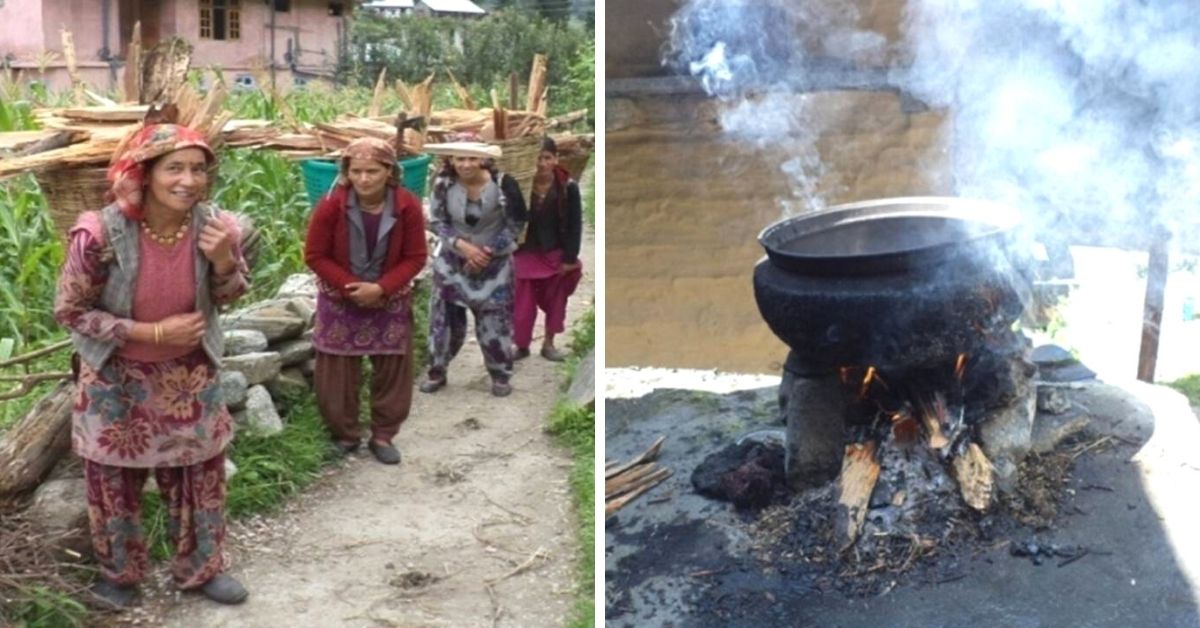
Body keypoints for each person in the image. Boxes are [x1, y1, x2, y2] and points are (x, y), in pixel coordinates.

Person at [53, 123, 250, 607]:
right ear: (144, 173)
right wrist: (151, 332)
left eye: (198, 169)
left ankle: (202, 569)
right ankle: (119, 577)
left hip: (188, 376)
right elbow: (71, 312)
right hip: (115, 379)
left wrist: (225, 261)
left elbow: (230, 295)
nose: (189, 180)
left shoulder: (214, 226)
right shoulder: (99, 233)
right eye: (174, 168)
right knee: (112, 482)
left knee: (199, 477)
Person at [303, 137, 427, 464]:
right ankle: (345, 434)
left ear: (389, 171)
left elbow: (415, 257)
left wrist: (382, 288)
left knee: (392, 367)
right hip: (341, 299)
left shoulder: (407, 205)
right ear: (346, 172)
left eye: (372, 171)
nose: (364, 179)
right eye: (356, 171)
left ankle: (384, 434)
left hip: (389, 299)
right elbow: (315, 255)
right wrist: (349, 286)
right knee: (337, 371)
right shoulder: (331, 204)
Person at [420, 141, 528, 397]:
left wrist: (488, 251)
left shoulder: (504, 183)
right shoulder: (442, 183)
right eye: (459, 159)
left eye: (471, 158)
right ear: (452, 161)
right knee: (443, 321)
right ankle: (437, 371)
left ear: (483, 160)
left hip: (495, 264)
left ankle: (500, 375)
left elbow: (516, 222)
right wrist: (462, 246)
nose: (465, 164)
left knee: (495, 321)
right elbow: (437, 221)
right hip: (452, 264)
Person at [512, 137, 583, 362]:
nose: (541, 163)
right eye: (537, 158)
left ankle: (549, 343)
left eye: (547, 158)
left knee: (556, 299)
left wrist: (570, 257)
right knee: (522, 305)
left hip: (554, 252)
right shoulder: (519, 185)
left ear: (556, 159)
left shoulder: (567, 187)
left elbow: (575, 224)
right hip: (525, 252)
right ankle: (521, 345)